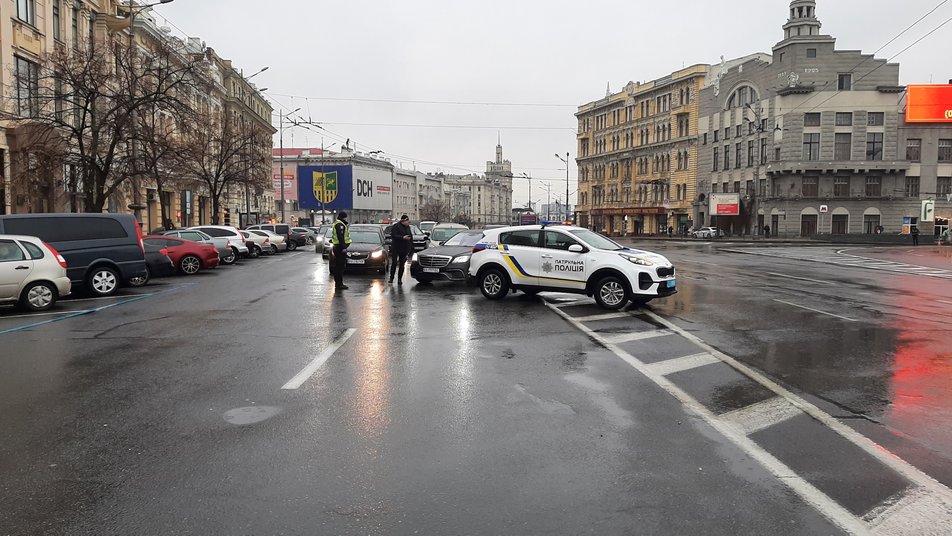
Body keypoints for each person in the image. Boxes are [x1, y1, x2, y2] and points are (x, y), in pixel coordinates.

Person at [389, 214, 413, 284]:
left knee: (402, 264)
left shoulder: (408, 227)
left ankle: (400, 279)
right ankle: (391, 278)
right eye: (407, 221)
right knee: (394, 263)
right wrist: (402, 237)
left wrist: (410, 246)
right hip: (396, 247)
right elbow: (393, 235)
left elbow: (411, 236)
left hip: (404, 248)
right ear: (403, 221)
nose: (408, 222)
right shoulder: (396, 226)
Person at [331, 211, 351, 290]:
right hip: (339, 248)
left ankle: (338, 283)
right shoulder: (340, 225)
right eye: (346, 217)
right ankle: (339, 284)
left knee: (339, 266)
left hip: (337, 247)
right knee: (340, 266)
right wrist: (343, 248)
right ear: (344, 217)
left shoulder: (338, 223)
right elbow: (340, 237)